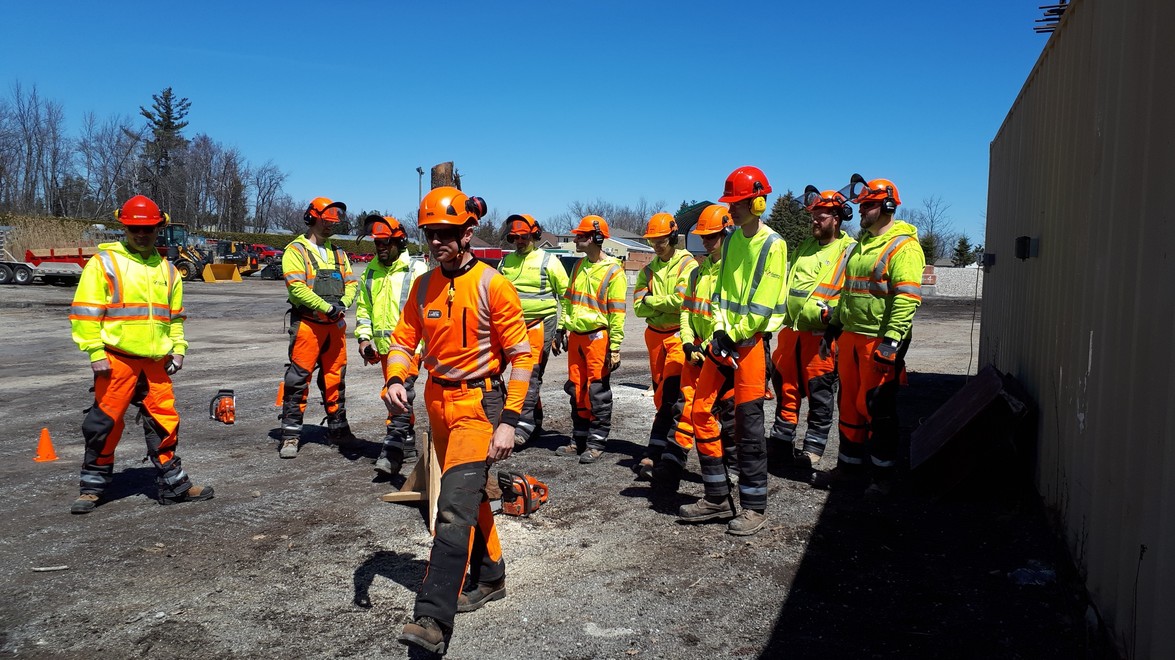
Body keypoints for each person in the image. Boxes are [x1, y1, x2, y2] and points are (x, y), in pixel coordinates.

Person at [385, 187, 533, 655]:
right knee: (466, 498)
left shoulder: (493, 284)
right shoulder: (424, 285)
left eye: (446, 234)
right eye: (430, 234)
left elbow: (522, 357)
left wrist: (509, 420)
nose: (437, 242)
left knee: (451, 510)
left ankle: (431, 619)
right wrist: (395, 377)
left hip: (480, 405)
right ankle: (491, 576)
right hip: (437, 403)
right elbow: (404, 341)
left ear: (469, 232)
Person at [68, 195, 214, 514]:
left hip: (155, 362)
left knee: (165, 422)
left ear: (158, 227)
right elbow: (84, 313)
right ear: (125, 227)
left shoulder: (168, 270)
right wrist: (94, 350)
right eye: (135, 228)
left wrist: (178, 349)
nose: (142, 234)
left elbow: (174, 318)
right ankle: (92, 488)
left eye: (148, 228)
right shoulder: (105, 263)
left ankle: (174, 486)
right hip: (116, 358)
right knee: (103, 424)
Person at [677, 166, 786, 536]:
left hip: (751, 345)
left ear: (758, 201)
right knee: (700, 410)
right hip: (723, 341)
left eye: (737, 202)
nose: (732, 209)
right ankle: (717, 497)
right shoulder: (734, 239)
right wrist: (721, 330)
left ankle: (755, 507)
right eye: (730, 203)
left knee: (749, 427)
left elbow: (762, 304)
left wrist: (734, 333)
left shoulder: (773, 245)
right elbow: (721, 293)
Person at [815, 175, 925, 496]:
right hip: (850, 337)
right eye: (861, 204)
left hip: (878, 341)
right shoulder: (860, 245)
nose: (862, 210)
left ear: (889, 206)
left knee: (878, 409)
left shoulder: (904, 247)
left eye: (869, 204)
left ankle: (882, 478)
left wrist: (891, 342)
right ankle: (848, 469)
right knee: (848, 405)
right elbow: (850, 293)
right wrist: (834, 328)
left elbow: (906, 298)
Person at [768, 187, 857, 472]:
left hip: (822, 338)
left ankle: (812, 452)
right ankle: (781, 446)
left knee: (820, 398)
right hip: (791, 334)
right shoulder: (805, 246)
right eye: (813, 217)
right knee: (787, 391)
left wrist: (827, 315)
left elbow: (851, 295)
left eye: (820, 216)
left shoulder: (849, 251)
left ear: (837, 218)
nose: (815, 221)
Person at [655, 204, 737, 493]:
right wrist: (688, 343)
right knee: (684, 408)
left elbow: (727, 316)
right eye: (703, 237)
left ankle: (733, 468)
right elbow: (687, 312)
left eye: (711, 236)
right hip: (697, 351)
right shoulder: (697, 273)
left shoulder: (734, 273)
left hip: (724, 351)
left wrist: (712, 343)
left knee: (728, 414)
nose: (706, 242)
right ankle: (672, 464)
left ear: (727, 234)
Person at [278, 196, 360, 459]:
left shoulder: (339, 253)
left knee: (336, 377)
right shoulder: (296, 251)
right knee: (297, 380)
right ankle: (290, 435)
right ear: (312, 219)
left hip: (334, 325)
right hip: (308, 325)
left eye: (332, 223)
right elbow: (297, 288)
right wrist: (326, 308)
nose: (328, 227)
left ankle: (339, 430)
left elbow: (351, 283)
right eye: (325, 222)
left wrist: (344, 304)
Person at [355, 215, 427, 476]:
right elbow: (364, 308)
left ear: (399, 241)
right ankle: (407, 443)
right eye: (377, 244)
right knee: (398, 394)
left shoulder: (417, 270)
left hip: (410, 348)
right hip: (384, 349)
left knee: (399, 394)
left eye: (385, 243)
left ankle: (392, 449)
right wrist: (364, 338)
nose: (381, 248)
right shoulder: (371, 271)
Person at [555, 215, 627, 464]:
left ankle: (596, 442)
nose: (576, 239)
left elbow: (617, 313)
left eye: (581, 236)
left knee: (597, 390)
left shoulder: (613, 271)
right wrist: (560, 328)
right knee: (576, 388)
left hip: (598, 337)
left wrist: (615, 347)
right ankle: (579, 439)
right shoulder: (578, 266)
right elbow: (568, 300)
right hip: (576, 336)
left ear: (597, 238)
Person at [633, 212, 697, 480]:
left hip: (677, 336)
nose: (656, 246)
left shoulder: (687, 265)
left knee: (675, 395)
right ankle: (659, 450)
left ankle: (666, 454)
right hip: (654, 337)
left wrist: (652, 300)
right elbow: (637, 306)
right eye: (652, 241)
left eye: (660, 240)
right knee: (661, 396)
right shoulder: (648, 269)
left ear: (672, 237)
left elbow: (682, 301)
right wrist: (660, 301)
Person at [496, 214, 568, 446]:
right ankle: (531, 418)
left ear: (534, 235)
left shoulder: (549, 261)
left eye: (523, 237)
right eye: (514, 238)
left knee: (529, 374)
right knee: (502, 373)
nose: (519, 242)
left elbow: (565, 296)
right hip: (511, 324)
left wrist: (561, 326)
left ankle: (523, 423)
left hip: (539, 323)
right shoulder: (506, 263)